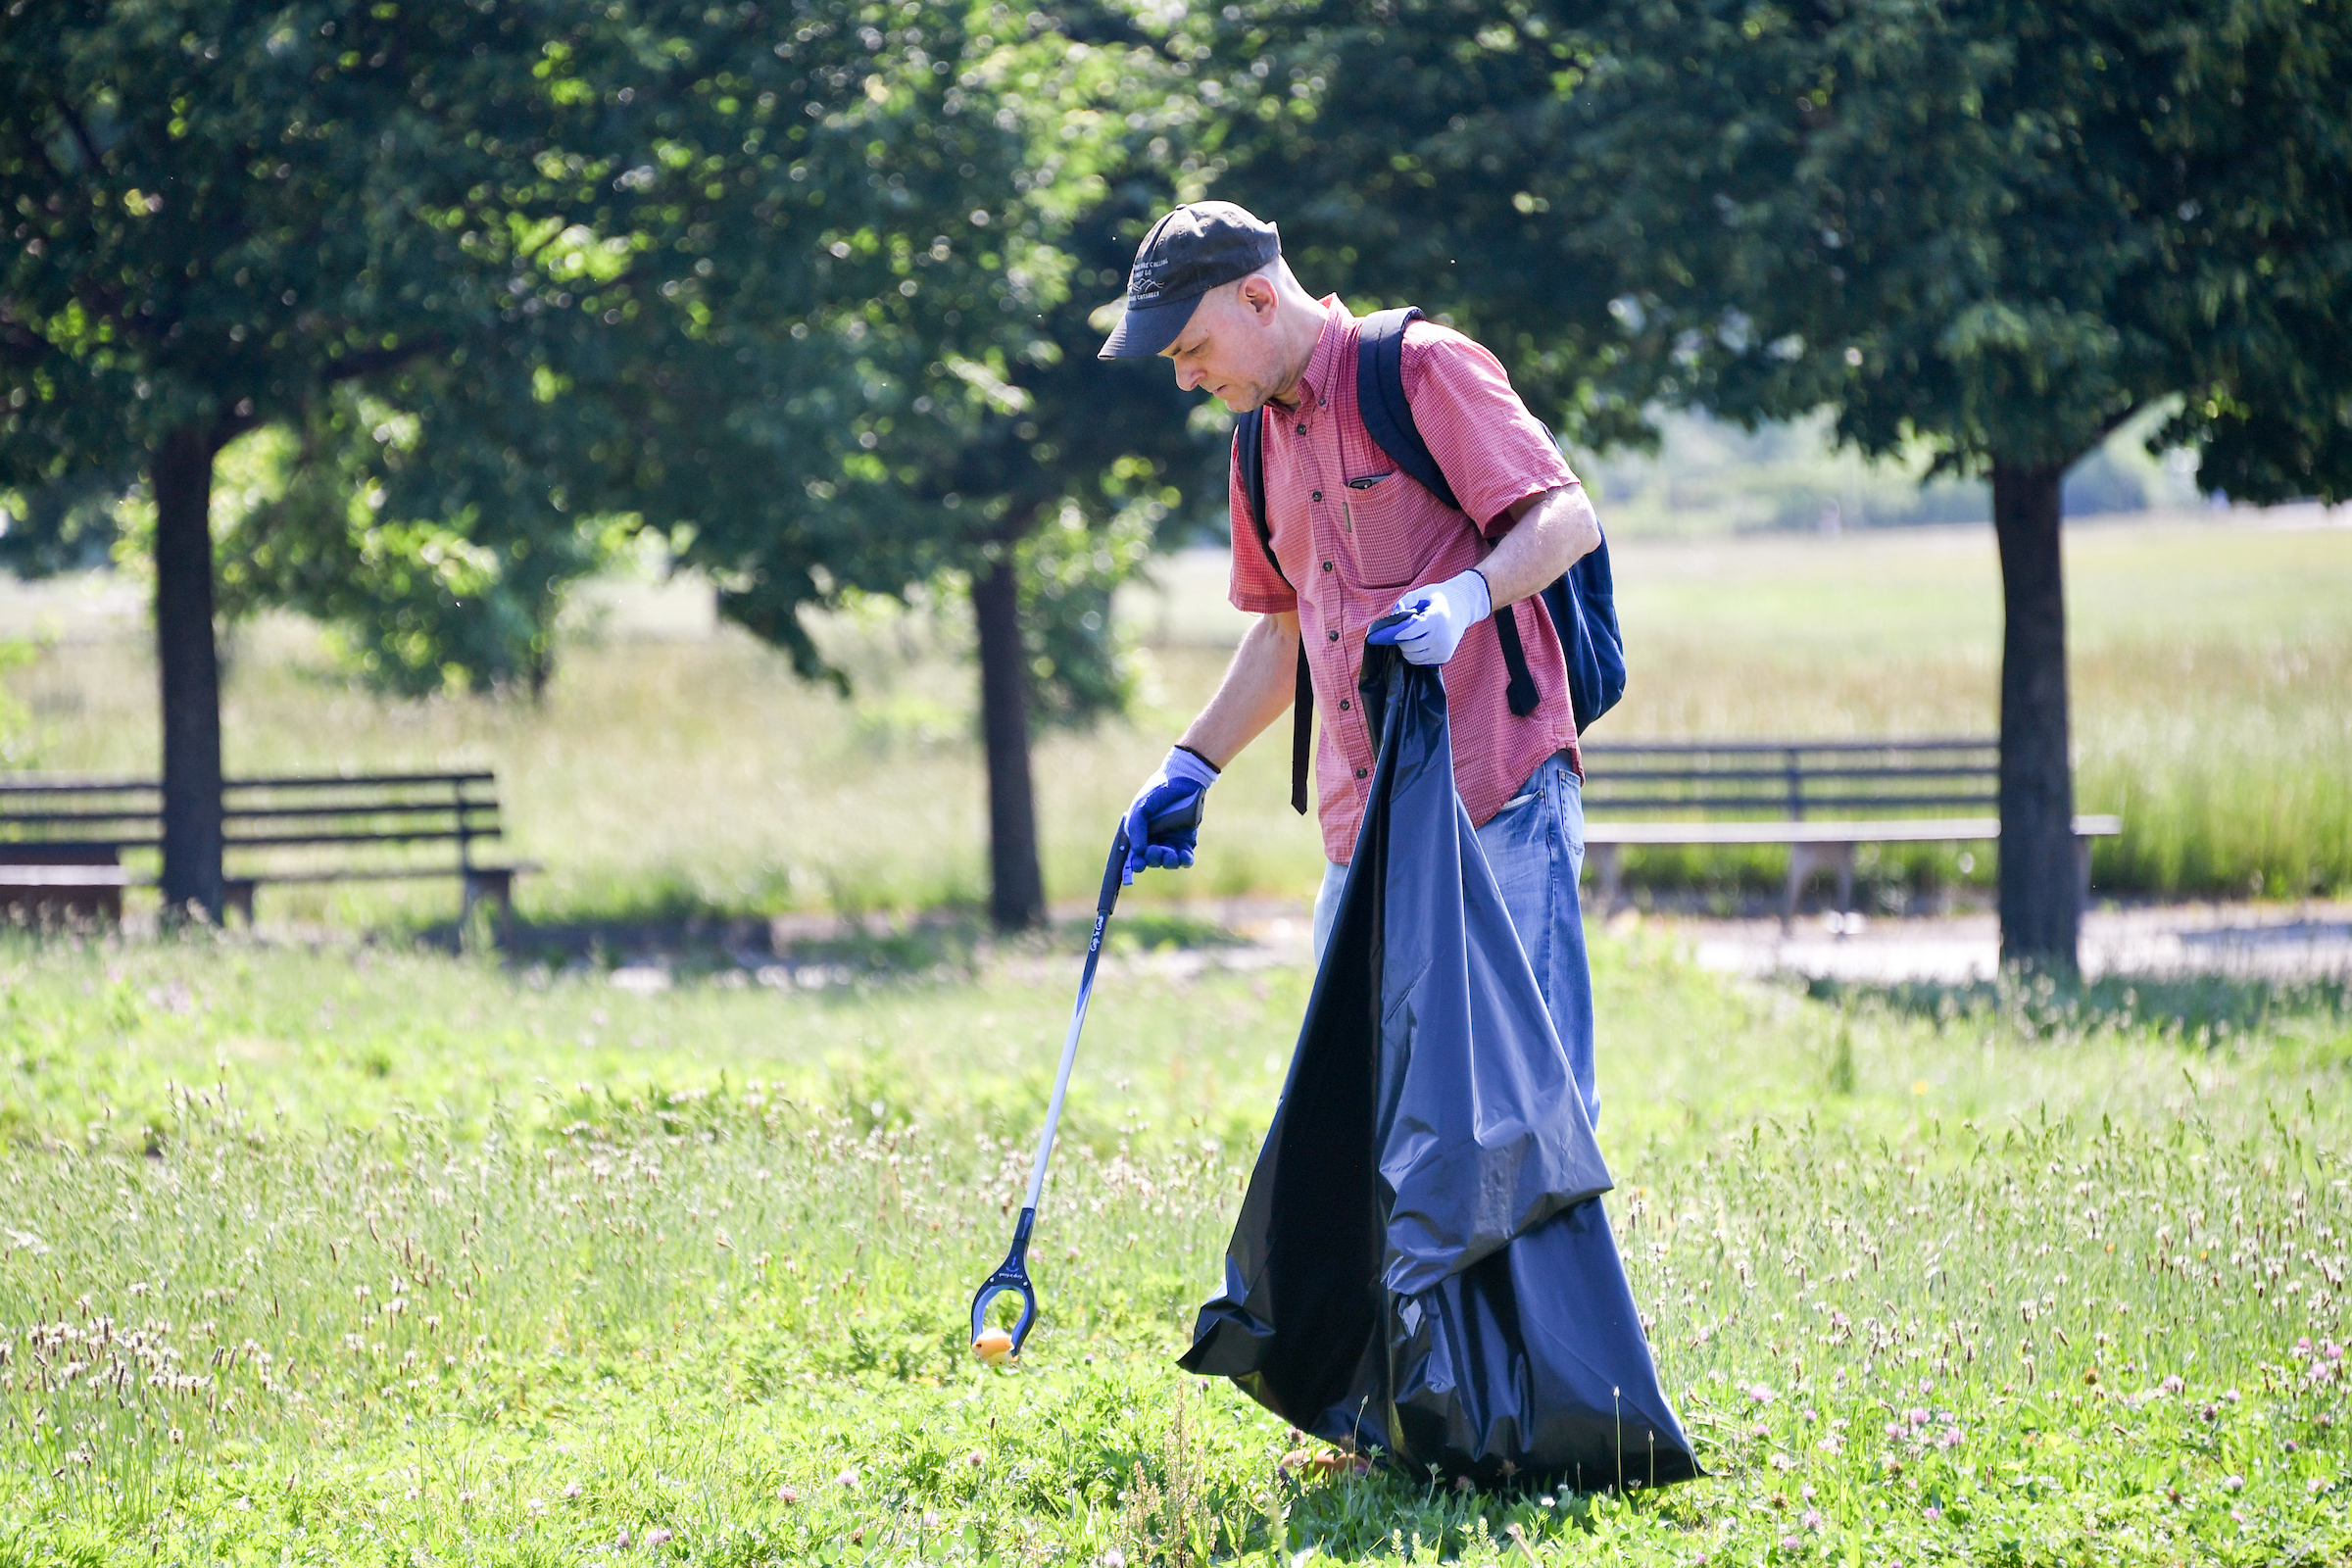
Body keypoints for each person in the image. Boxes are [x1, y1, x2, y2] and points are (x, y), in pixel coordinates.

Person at [1100, 201, 1607, 1127]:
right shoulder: (1253, 438)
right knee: (1369, 1130)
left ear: (1259, 298)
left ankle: (1546, 1284)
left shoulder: (1420, 368)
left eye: (1189, 349)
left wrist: (1468, 596)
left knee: (1535, 1118)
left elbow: (1566, 519)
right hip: (1363, 833)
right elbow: (1285, 630)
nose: (1184, 379)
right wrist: (1190, 765)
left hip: (1499, 794)